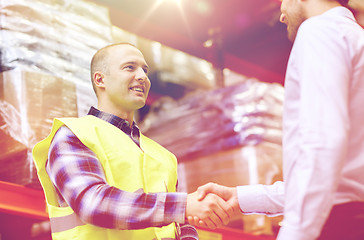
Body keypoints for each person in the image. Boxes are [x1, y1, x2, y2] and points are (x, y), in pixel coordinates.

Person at [192, 0, 364, 239]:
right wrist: (240, 198)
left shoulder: (318, 30)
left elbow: (322, 143)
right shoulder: (354, 37)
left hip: (336, 224)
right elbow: (339, 178)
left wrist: (294, 233)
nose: (281, 15)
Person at [32, 42, 233, 240]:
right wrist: (184, 205)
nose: (142, 77)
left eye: (145, 70)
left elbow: (180, 224)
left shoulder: (164, 157)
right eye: (130, 67)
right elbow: (93, 203)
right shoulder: (73, 135)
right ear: (100, 80)